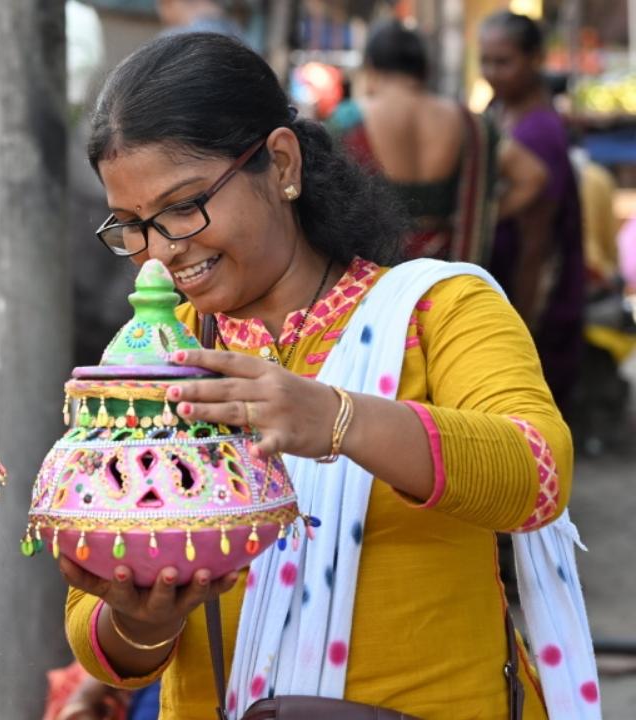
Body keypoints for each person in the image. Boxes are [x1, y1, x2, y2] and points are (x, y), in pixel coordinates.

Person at [61, 32, 598, 718]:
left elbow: (537, 473)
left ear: (280, 162)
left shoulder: (438, 310)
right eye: (133, 226)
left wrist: (337, 420)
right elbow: (96, 628)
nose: (160, 255)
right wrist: (142, 623)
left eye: (185, 205)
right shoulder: (144, 364)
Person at [329, 20, 547, 263]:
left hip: (380, 275)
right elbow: (532, 176)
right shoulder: (468, 122)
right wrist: (480, 216)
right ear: (425, 69)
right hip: (447, 274)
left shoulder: (347, 120)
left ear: (370, 68)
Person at [480, 12, 586, 413]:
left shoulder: (539, 132)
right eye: (486, 61)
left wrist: (521, 324)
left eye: (503, 61)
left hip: (534, 298)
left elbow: (538, 241)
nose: (492, 72)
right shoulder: (500, 112)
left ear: (535, 60)